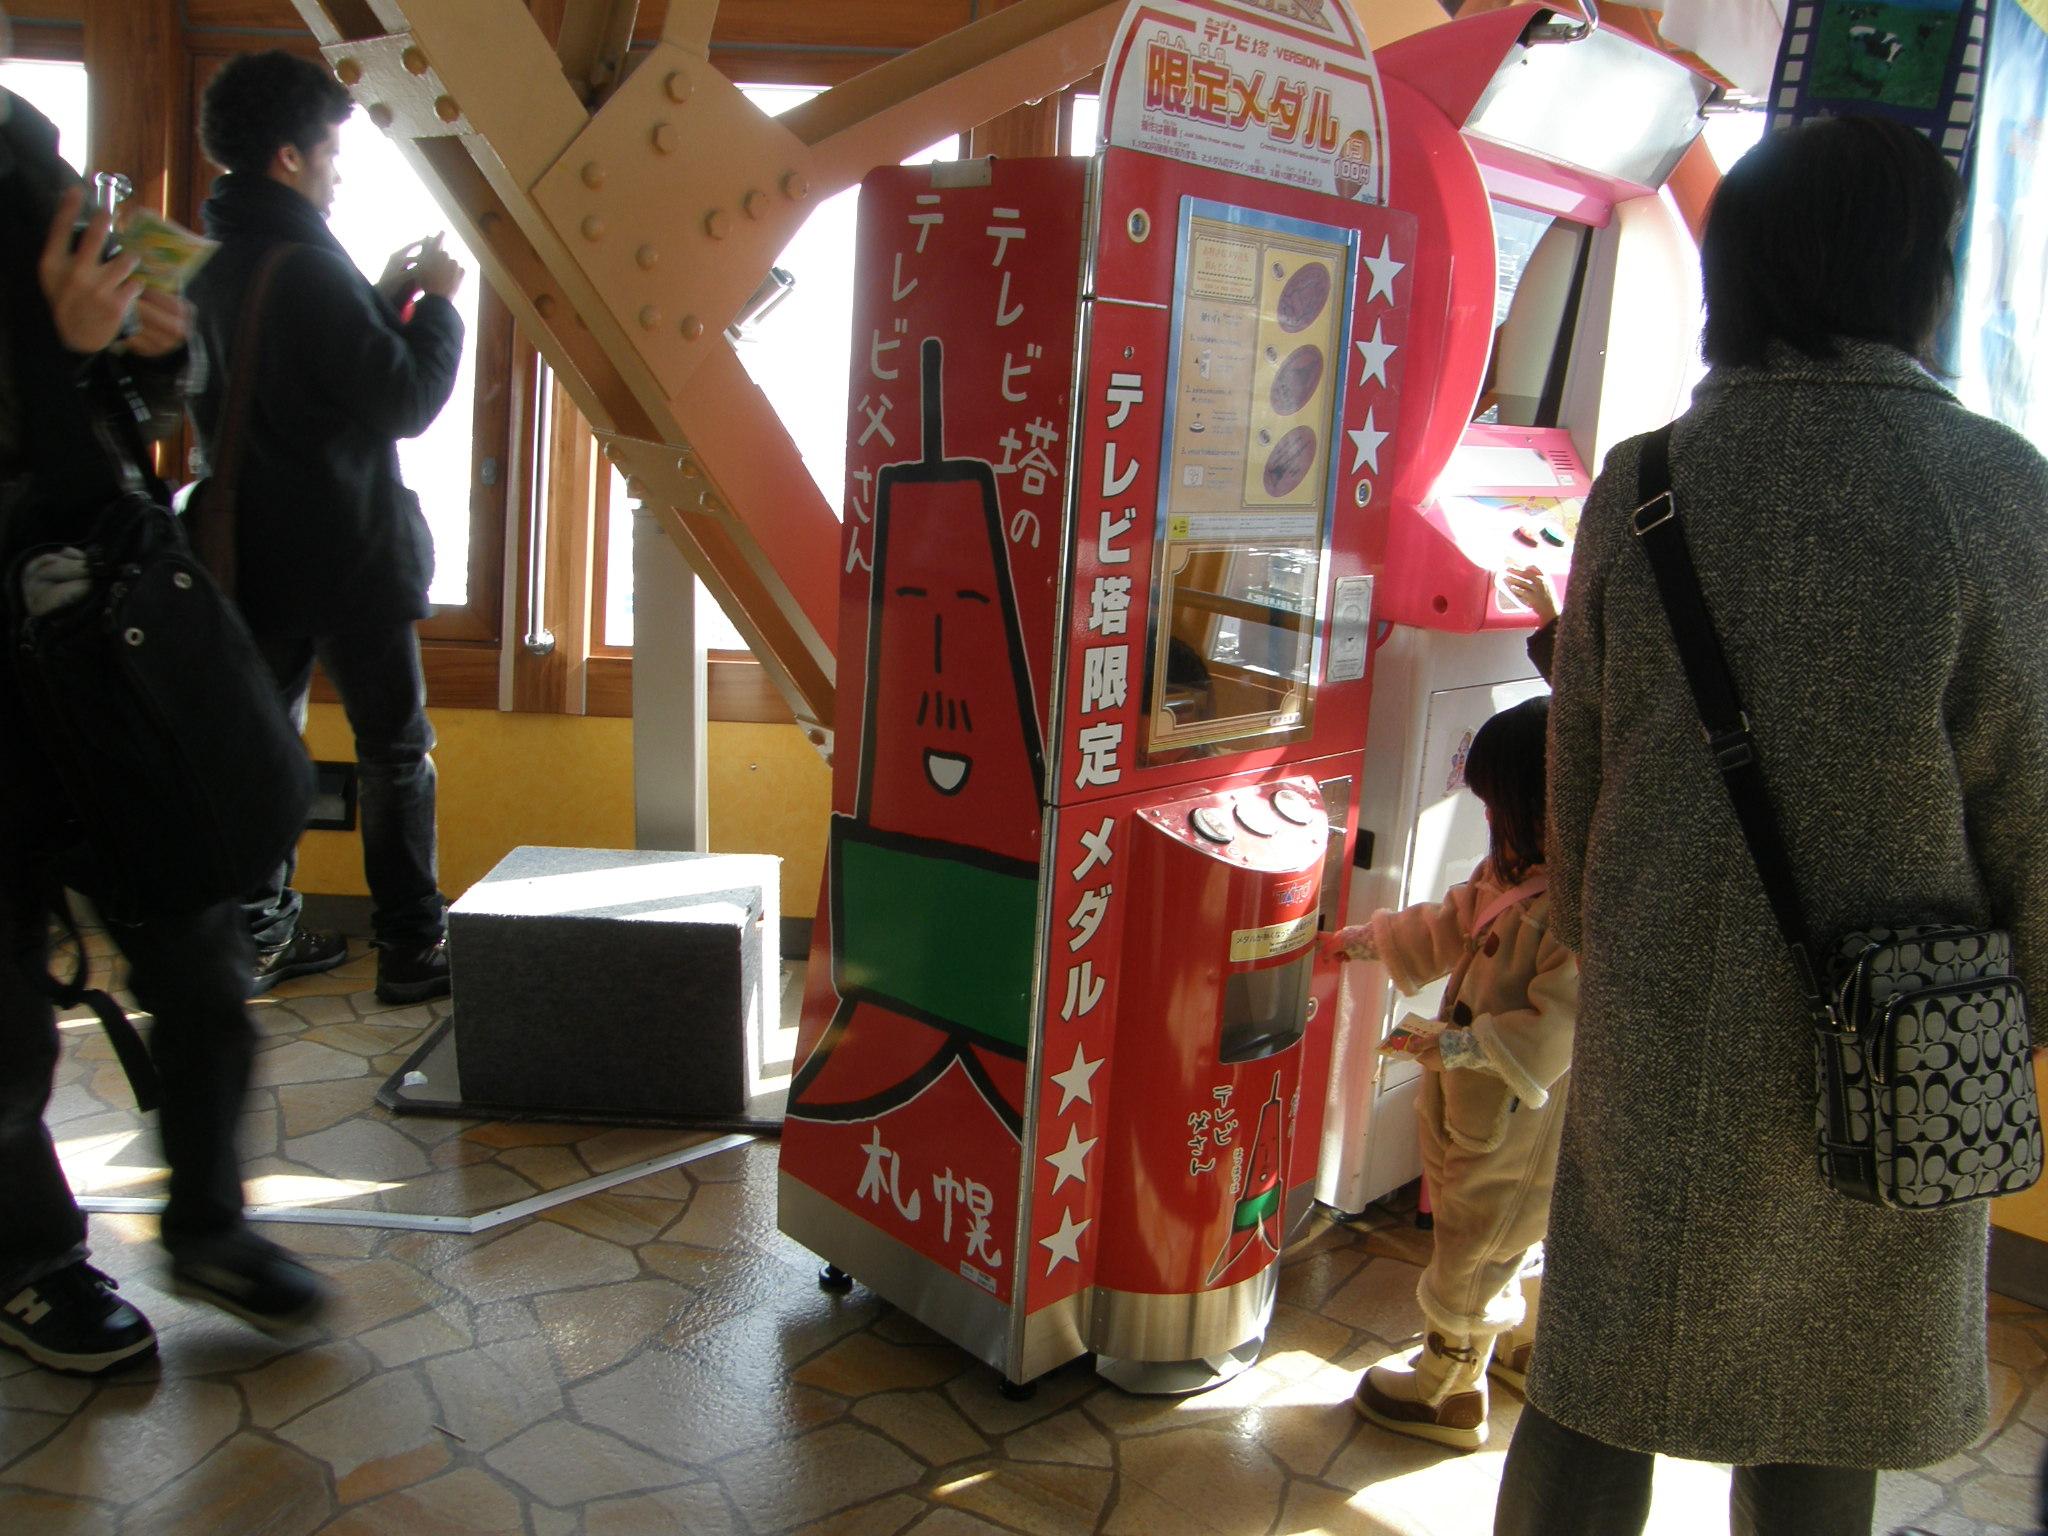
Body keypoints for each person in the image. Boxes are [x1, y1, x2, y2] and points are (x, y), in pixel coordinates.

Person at [1497, 116, 2048, 1536]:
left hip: (1663, 1019)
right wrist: (2016, 1017)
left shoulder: (1644, 479)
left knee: (1599, 1383)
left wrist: (1613, 941)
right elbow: (2029, 797)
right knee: (1825, 1398)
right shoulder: (1998, 490)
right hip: (1900, 1034)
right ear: (1912, 274)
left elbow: (1578, 771)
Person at [1, 85, 326, 1374]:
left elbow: (125, 429)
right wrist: (59, 352)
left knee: (200, 966)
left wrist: (142, 353)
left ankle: (209, 1224)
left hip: (104, 658)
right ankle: (32, 1264)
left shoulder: (23, 156)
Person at [187, 50, 467, 1004]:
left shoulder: (216, 259)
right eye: (333, 150)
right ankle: (412, 947)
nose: (339, 170)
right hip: (346, 553)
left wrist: (379, 295)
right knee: (395, 752)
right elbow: (403, 399)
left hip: (250, 557)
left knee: (264, 747)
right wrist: (441, 308)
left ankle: (258, 935)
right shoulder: (307, 266)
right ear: (289, 156)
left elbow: (300, 379)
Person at [1329, 696, 1576, 1450]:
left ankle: (1447, 1390)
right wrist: (1359, 942)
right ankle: (1527, 1348)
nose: (1489, 819)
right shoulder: (1516, 872)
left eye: (1498, 803)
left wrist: (1457, 1048)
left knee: (1478, 1237)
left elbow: (1557, 1028)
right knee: (1503, 1228)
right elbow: (1448, 922)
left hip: (1517, 1114)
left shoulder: (1578, 908)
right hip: (1475, 1101)